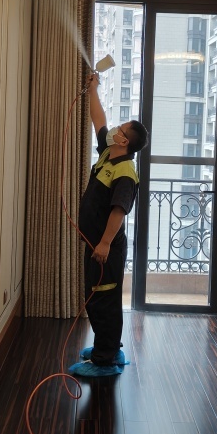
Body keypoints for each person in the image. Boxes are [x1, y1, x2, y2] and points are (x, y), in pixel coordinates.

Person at [69, 72, 149, 378]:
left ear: (124, 141)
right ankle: (109, 347)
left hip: (107, 248)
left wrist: (103, 243)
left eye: (121, 128)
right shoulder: (108, 152)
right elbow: (98, 119)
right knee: (98, 297)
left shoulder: (125, 171)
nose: (114, 128)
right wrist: (93, 90)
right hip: (96, 244)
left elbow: (119, 210)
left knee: (103, 299)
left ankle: (105, 360)